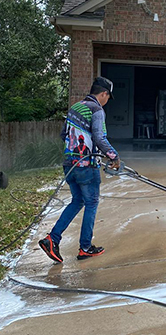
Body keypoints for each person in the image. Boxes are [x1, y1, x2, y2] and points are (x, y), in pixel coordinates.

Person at [39, 76, 120, 263]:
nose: (107, 101)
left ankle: (52, 239)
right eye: (108, 97)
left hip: (69, 164)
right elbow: (99, 138)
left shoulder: (75, 108)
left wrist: (76, 151)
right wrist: (114, 156)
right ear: (104, 94)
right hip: (86, 166)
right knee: (91, 203)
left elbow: (63, 135)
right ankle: (85, 248)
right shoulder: (97, 110)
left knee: (77, 201)